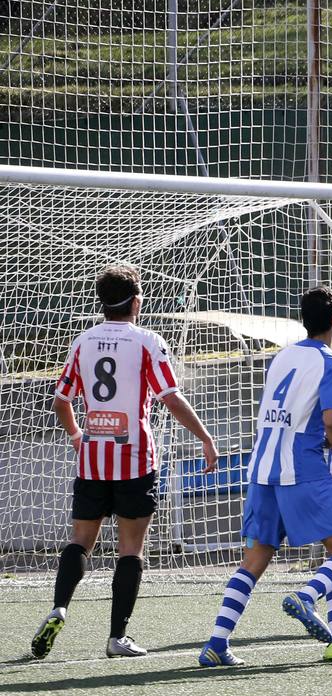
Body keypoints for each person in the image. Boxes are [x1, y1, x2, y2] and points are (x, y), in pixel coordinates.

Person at [32, 266, 218, 660]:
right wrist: (204, 438)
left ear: (103, 302)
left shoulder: (83, 341)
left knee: (80, 540)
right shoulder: (148, 341)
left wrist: (77, 436)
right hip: (134, 459)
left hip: (92, 459)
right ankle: (117, 637)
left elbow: (61, 401)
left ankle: (59, 607)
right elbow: (170, 397)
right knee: (130, 548)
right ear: (136, 301)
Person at [199, 285, 332, 666]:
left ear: (302, 321)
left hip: (262, 470)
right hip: (301, 470)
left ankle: (216, 643)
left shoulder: (281, 357)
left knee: (253, 561)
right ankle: (306, 596)